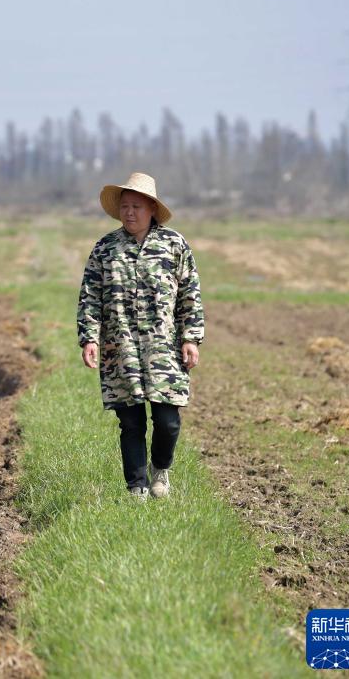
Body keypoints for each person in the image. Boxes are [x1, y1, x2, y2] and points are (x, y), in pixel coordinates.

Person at [76, 172, 205, 501]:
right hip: (120, 351)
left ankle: (160, 468)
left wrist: (191, 338)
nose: (129, 212)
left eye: (135, 206)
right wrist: (89, 338)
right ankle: (137, 488)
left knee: (167, 420)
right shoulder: (105, 249)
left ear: (151, 208)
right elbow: (90, 296)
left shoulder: (174, 245)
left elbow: (189, 295)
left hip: (164, 350)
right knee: (131, 422)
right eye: (124, 206)